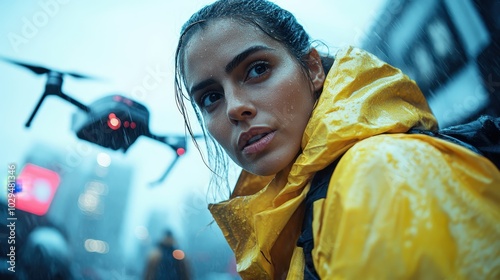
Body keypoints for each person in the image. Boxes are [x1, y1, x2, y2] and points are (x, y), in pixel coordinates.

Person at [174, 0, 500, 279]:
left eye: (257, 69)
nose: (234, 108)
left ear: (314, 69)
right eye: (210, 98)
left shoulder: (377, 172)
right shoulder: (308, 200)